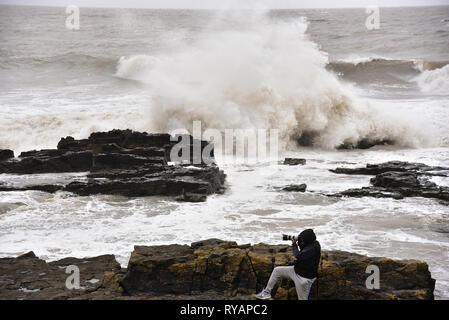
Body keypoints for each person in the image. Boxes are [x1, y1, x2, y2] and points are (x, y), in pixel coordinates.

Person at [255, 229, 321, 300]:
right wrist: (299, 241)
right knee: (277, 271)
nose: (301, 240)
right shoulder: (310, 243)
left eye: (302, 239)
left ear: (307, 240)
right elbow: (302, 251)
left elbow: (298, 255)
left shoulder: (313, 248)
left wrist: (294, 244)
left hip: (304, 279)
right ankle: (266, 293)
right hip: (296, 270)